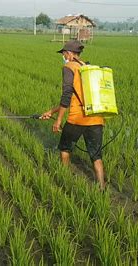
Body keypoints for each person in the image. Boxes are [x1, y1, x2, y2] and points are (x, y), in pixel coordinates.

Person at [41, 40, 106, 191]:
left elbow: (67, 96)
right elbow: (79, 97)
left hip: (77, 119)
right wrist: (51, 111)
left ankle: (64, 179)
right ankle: (102, 187)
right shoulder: (86, 68)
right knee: (96, 156)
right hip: (96, 118)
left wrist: (58, 120)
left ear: (69, 54)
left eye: (63, 53)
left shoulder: (69, 67)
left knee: (65, 149)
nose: (63, 56)